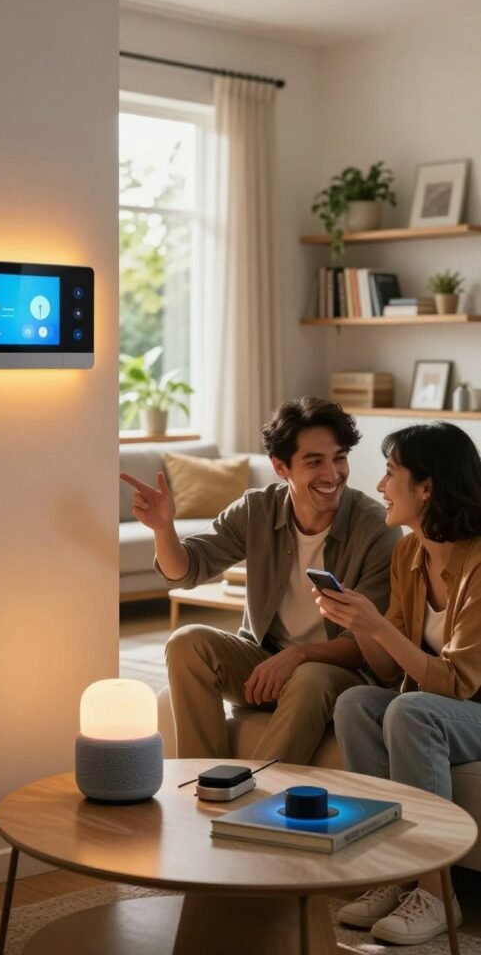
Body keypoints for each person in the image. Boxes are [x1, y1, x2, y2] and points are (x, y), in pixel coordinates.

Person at [121, 396, 401, 763]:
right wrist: (163, 528)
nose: (332, 474)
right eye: (314, 462)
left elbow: (368, 643)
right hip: (264, 663)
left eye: (339, 458)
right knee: (186, 642)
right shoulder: (257, 510)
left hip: (337, 672)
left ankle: (259, 788)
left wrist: (298, 656)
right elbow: (186, 570)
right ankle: (204, 779)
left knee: (310, 677)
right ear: (280, 467)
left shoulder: (376, 528)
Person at [317, 422, 481, 946]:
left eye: (391, 473)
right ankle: (392, 872)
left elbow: (457, 683)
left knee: (411, 711)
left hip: (471, 706)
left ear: (426, 487)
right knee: (356, 703)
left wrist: (379, 626)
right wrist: (360, 625)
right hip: (439, 703)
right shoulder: (408, 554)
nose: (380, 486)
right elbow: (390, 672)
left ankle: (436, 894)